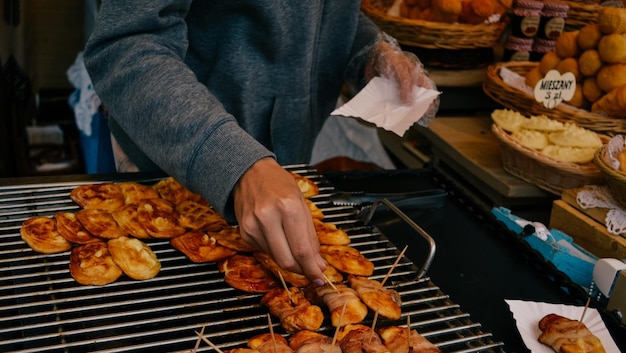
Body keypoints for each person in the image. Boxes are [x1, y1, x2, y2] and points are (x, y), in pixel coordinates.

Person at [83, 1, 438, 287]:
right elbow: (127, 43)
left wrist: (368, 53)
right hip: (175, 171)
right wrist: (235, 164)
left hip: (282, 166)